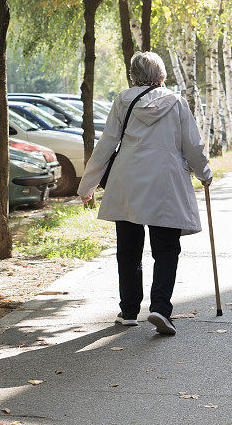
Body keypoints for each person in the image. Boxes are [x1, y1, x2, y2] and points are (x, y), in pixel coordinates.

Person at [78, 51, 212, 336]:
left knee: (128, 248)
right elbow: (193, 145)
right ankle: (160, 308)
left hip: (127, 179)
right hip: (166, 179)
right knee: (166, 248)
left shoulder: (122, 101)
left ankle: (128, 311)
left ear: (133, 77)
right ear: (161, 77)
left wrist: (86, 185)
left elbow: (106, 145)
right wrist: (205, 175)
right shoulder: (176, 102)